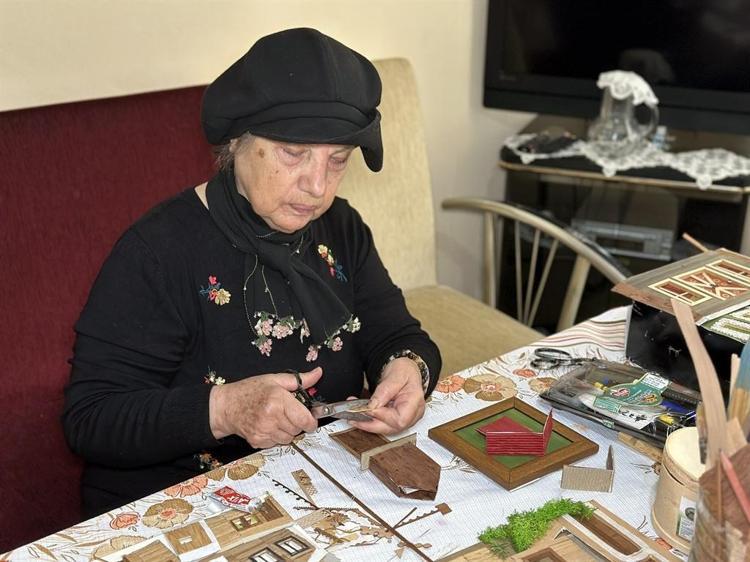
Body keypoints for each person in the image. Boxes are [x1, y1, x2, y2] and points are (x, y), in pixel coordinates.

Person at [62, 28, 441, 517]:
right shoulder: (159, 252)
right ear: (237, 140)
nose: (317, 186)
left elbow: (398, 335)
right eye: (294, 153)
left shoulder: (340, 227)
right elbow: (92, 419)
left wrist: (408, 370)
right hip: (182, 505)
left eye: (337, 160)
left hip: (313, 484)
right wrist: (223, 410)